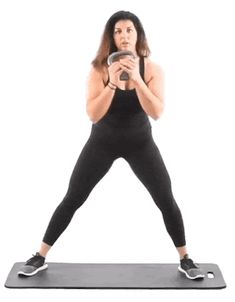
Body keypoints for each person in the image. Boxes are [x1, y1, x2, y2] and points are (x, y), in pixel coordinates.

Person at [18, 10, 204, 280]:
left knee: (166, 198)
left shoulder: (152, 69)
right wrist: (113, 84)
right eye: (118, 31)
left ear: (137, 34)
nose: (124, 36)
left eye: (129, 30)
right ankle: (39, 256)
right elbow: (93, 114)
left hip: (140, 143)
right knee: (73, 198)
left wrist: (137, 80)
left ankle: (185, 259)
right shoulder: (98, 68)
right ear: (112, 37)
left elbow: (157, 112)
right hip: (102, 142)